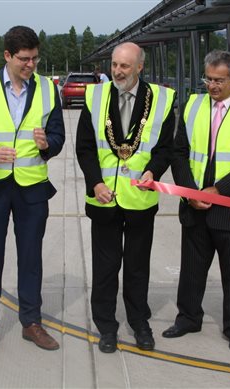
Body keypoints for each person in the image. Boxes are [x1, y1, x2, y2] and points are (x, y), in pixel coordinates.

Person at [0, 25, 65, 360]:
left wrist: (48, 144)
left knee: (31, 259)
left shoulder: (48, 89)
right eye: (24, 59)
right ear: (7, 55)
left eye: (35, 58)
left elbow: (58, 136)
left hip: (32, 188)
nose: (31, 65)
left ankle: (31, 322)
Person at [162, 50, 230, 351]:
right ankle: (188, 318)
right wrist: (191, 192)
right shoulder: (193, 105)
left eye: (219, 80)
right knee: (192, 268)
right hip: (194, 204)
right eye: (208, 79)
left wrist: (218, 191)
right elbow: (178, 152)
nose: (212, 86)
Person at [76, 42, 175, 353]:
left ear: (140, 67)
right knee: (105, 269)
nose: (117, 71)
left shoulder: (161, 99)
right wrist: (94, 182)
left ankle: (139, 322)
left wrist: (154, 172)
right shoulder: (95, 97)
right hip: (104, 199)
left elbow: (164, 149)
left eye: (125, 66)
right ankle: (106, 326)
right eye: (115, 65)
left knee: (136, 267)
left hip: (140, 201)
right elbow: (85, 147)